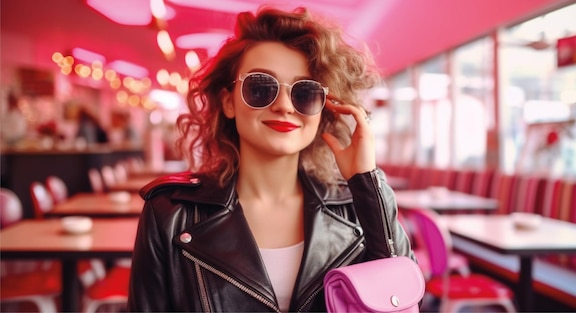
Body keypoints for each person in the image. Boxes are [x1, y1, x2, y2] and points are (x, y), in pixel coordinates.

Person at [128, 6, 415, 312]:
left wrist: (366, 183)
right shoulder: (169, 214)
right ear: (228, 102)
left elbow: (400, 297)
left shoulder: (356, 209)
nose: (283, 105)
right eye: (261, 87)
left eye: (305, 93)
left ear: (324, 108)